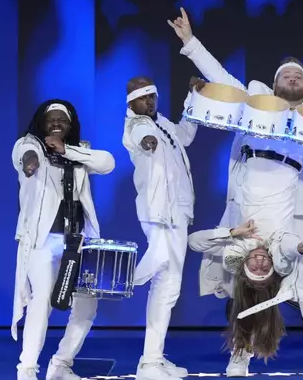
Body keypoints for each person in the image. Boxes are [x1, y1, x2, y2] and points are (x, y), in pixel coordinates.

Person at [168, 1, 303, 376]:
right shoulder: (255, 106)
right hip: (251, 205)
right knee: (241, 282)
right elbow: (222, 81)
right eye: (287, 75)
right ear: (275, 83)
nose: (293, 78)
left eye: (299, 75)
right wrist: (190, 42)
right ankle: (241, 352)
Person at [11, 100, 115, 380]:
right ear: (42, 124)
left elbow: (108, 163)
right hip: (43, 242)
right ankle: (27, 370)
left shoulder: (78, 152)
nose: (57, 124)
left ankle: (60, 364)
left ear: (70, 126)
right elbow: (26, 158)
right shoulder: (27, 144)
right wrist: (33, 162)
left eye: (63, 120)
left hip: (79, 242)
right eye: (51, 120)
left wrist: (68, 149)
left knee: (86, 307)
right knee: (41, 302)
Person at [122, 76, 202, 380]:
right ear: (131, 103)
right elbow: (143, 136)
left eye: (152, 96)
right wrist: (148, 141)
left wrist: (193, 98)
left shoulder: (165, 123)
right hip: (161, 212)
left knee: (169, 286)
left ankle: (152, 358)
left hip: (178, 210)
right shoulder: (135, 126)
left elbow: (187, 135)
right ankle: (122, 280)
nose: (150, 102)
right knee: (163, 278)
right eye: (143, 98)